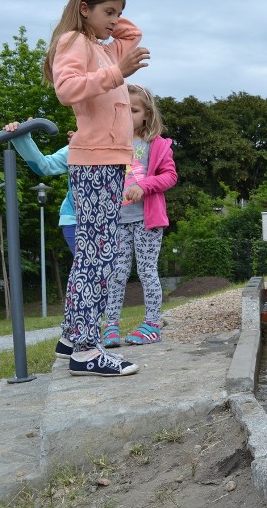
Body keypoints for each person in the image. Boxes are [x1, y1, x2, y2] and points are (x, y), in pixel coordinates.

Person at [45, 0, 150, 376]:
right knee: (99, 253)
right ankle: (87, 351)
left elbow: (133, 32)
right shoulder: (75, 42)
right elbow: (67, 88)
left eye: (118, 13)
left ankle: (71, 337)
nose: (116, 21)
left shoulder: (100, 46)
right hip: (93, 160)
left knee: (94, 251)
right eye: (109, 12)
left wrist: (106, 20)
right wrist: (117, 71)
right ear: (84, 8)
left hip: (107, 160)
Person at [101, 85, 177, 348]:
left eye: (133, 110)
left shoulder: (157, 144)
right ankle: (110, 325)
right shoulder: (111, 142)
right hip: (117, 220)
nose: (127, 115)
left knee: (147, 271)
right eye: (121, 110)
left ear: (146, 114)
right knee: (116, 273)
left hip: (147, 220)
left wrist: (143, 186)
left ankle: (152, 325)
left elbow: (170, 176)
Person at [3, 122, 77, 254]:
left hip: (120, 218)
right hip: (76, 218)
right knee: (91, 271)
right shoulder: (78, 147)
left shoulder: (124, 144)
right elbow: (45, 166)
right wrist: (21, 137)